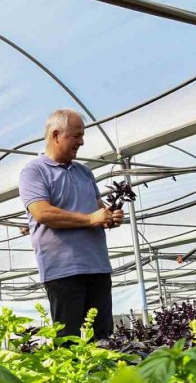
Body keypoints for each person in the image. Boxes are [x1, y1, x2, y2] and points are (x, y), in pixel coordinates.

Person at [18, 108, 124, 340]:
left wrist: (108, 217)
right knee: (69, 340)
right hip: (63, 270)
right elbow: (42, 213)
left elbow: (97, 209)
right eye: (76, 135)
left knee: (103, 338)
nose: (82, 142)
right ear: (56, 135)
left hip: (97, 266)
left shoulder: (84, 172)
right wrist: (90, 219)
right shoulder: (34, 171)